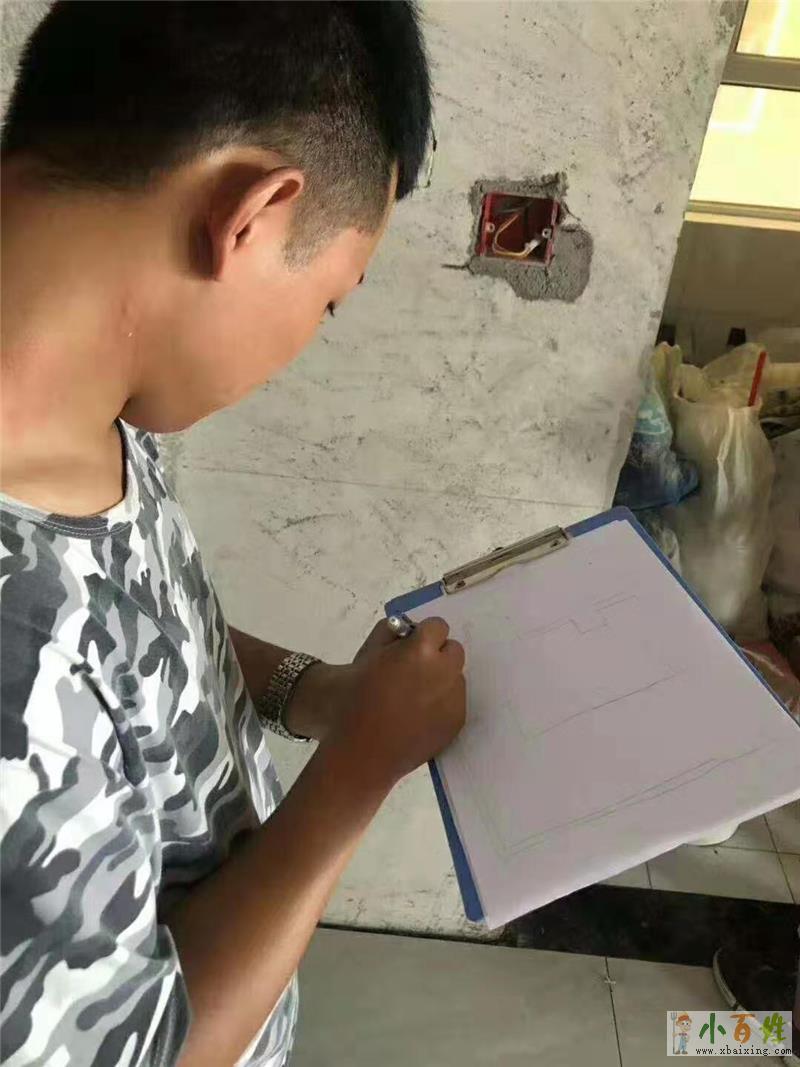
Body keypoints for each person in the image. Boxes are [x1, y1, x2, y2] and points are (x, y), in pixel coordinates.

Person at [0, 4, 466, 1066]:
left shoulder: (89, 391)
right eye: (330, 300)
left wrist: (317, 693)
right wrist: (358, 770)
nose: (312, 333)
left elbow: (128, 635)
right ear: (252, 214)